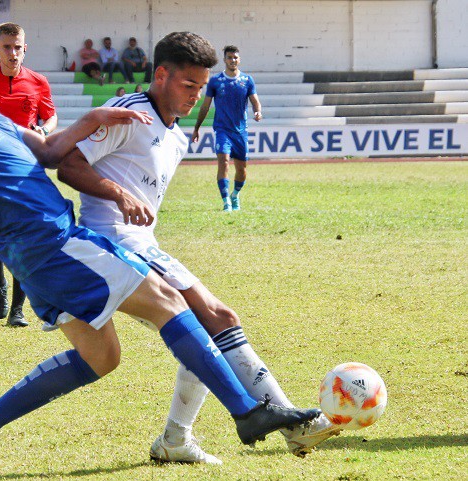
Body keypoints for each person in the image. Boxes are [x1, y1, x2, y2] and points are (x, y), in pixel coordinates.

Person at [0, 21, 319, 474]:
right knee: (168, 299)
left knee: (102, 358)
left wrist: (94, 119)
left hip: (40, 254)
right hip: (52, 244)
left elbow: (48, 152)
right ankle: (248, 412)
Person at [57, 33, 341, 463]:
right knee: (218, 317)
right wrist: (118, 194)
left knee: (204, 332)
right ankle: (293, 425)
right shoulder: (129, 115)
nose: (195, 96)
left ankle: (175, 440)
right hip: (110, 240)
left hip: (141, 243)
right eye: (188, 86)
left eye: (200, 88)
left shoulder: (178, 138)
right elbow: (69, 164)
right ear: (161, 74)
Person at [0, 22, 59, 327]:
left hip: (25, 168)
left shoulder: (38, 81)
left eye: (18, 47)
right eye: (7, 47)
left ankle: (17, 310)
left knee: (22, 240)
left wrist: (44, 129)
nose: (13, 53)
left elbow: (50, 116)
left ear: (25, 48)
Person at [192, 45, 262, 212]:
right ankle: (226, 202)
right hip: (222, 130)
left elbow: (255, 102)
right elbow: (205, 106)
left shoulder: (247, 80)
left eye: (235, 57)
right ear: (224, 60)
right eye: (230, 57)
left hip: (240, 131)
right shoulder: (216, 81)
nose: (233, 60)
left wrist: (258, 111)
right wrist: (197, 128)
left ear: (239, 59)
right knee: (223, 162)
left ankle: (235, 195)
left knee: (241, 169)